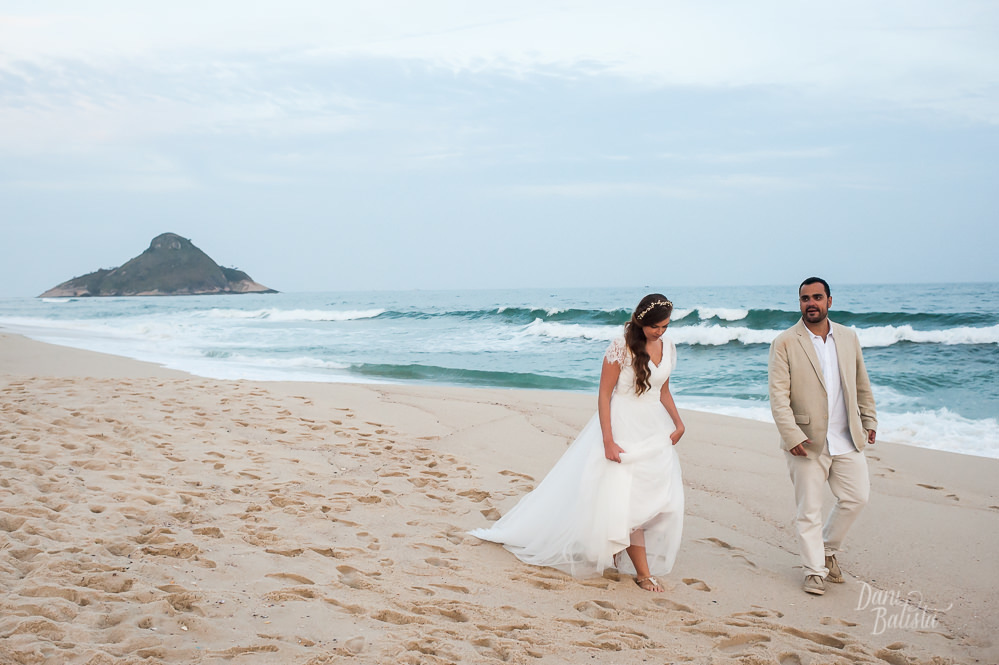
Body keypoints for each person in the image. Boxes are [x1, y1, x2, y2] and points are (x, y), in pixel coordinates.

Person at [469, 294, 685, 592]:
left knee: (659, 501)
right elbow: (604, 394)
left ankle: (618, 546)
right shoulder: (620, 348)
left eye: (665, 326)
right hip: (622, 427)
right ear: (641, 322)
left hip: (653, 429)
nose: (660, 332)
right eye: (655, 327)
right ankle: (643, 573)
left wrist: (678, 422)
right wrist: (608, 440)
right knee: (629, 500)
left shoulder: (668, 346)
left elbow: (663, 391)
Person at [768, 277, 878, 596]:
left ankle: (827, 549)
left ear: (830, 300)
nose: (811, 303)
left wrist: (869, 420)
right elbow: (778, 395)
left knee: (857, 497)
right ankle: (814, 570)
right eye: (805, 298)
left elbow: (861, 383)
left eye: (817, 297)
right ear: (799, 303)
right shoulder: (785, 342)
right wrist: (791, 436)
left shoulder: (847, 337)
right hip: (805, 441)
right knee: (809, 510)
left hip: (846, 437)